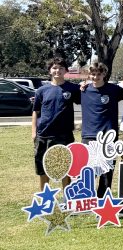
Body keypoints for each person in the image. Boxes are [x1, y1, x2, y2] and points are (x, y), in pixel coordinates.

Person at [32, 57, 82, 190]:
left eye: (60, 68)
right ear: (49, 71)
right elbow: (36, 112)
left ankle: (67, 196)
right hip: (43, 134)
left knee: (65, 166)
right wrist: (34, 132)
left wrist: (85, 86)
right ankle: (45, 197)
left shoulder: (73, 88)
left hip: (64, 135)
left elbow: (89, 100)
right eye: (54, 68)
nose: (57, 70)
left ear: (66, 70)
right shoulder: (42, 90)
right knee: (43, 167)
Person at [80, 62, 123, 197]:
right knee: (89, 170)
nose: (96, 77)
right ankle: (87, 197)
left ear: (104, 74)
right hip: (89, 135)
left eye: (99, 74)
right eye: (93, 74)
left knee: (106, 170)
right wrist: (82, 84)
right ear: (89, 75)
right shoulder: (83, 90)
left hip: (108, 136)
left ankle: (103, 198)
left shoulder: (115, 89)